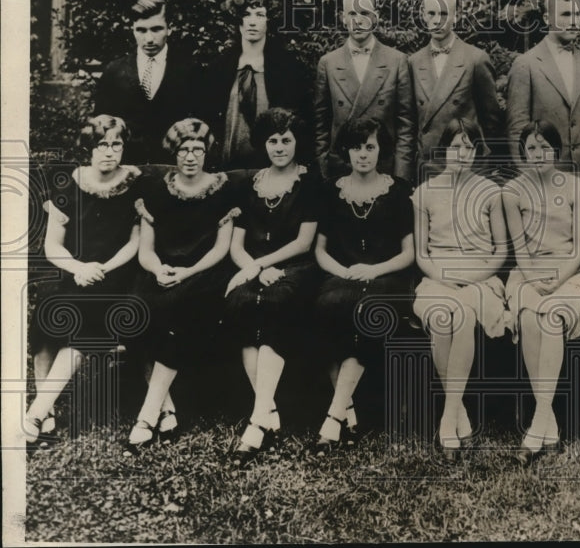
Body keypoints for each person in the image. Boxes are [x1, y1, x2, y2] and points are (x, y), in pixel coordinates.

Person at [24, 116, 142, 451]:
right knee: (48, 313)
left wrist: (102, 268)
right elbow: (53, 247)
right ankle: (45, 414)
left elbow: (135, 242)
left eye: (116, 144)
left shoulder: (134, 184)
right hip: (74, 270)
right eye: (101, 145)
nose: (109, 152)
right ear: (89, 149)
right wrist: (78, 267)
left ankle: (34, 415)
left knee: (86, 322)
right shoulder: (70, 185)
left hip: (115, 274)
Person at [126, 118, 238, 454]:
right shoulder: (158, 190)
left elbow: (221, 249)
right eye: (184, 150)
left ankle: (147, 415)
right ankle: (167, 407)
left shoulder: (222, 190)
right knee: (134, 310)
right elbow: (146, 249)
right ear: (174, 154)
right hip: (161, 270)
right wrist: (158, 268)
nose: (190, 156)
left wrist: (187, 273)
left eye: (197, 150)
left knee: (179, 312)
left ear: (207, 153)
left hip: (204, 274)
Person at [223, 108, 321, 465]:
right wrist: (251, 268)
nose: (279, 147)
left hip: (296, 266)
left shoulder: (309, 181)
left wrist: (262, 265)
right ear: (263, 144)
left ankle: (257, 420)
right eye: (273, 140)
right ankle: (267, 412)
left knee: (276, 304)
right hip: (254, 266)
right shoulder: (252, 183)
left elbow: (304, 242)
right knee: (241, 303)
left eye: (286, 140)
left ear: (297, 142)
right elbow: (237, 243)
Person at [311, 118, 415, 450]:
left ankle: (333, 418)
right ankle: (348, 414)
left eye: (370, 147)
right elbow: (320, 250)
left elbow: (409, 254)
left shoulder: (398, 190)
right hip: (341, 275)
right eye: (356, 147)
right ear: (347, 151)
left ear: (380, 150)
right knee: (327, 307)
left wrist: (374, 271)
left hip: (386, 278)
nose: (363, 154)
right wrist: (342, 272)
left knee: (368, 310)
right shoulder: (331, 189)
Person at [413, 118, 510, 456]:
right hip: (439, 277)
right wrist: (442, 277)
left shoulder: (489, 192)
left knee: (464, 314)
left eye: (469, 147)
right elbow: (421, 253)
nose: (463, 153)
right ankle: (459, 411)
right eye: (456, 146)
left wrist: (473, 277)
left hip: (481, 279)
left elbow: (501, 250)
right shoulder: (425, 193)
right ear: (443, 150)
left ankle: (447, 416)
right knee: (444, 315)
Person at [502, 121, 580, 465]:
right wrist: (536, 279)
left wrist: (557, 280)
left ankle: (537, 425)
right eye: (532, 149)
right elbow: (520, 249)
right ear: (524, 153)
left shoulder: (576, 187)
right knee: (528, 317)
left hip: (568, 273)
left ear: (557, 149)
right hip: (527, 274)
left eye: (545, 147)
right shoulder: (513, 191)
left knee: (552, 318)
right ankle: (547, 424)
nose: (539, 155)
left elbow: (579, 248)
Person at [199, 0, 314, 169]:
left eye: (259, 15)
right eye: (246, 14)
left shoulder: (288, 68)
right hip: (226, 168)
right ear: (238, 21)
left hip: (272, 168)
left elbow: (300, 124)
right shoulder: (219, 69)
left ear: (269, 21)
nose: (252, 22)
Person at [314, 0, 417, 183]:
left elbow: (406, 124)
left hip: (384, 170)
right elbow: (321, 126)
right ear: (342, 18)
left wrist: (401, 176)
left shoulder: (397, 61)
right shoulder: (328, 63)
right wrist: (324, 167)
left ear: (375, 17)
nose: (358, 20)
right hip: (341, 170)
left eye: (364, 13)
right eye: (352, 13)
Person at [506, 0, 580, 174]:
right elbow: (517, 131)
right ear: (547, 19)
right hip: (544, 173)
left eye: (578, 16)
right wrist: (528, 177)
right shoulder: (526, 65)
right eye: (566, 15)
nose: (574, 22)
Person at [409, 0, 503, 179]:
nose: (437, 21)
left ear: (456, 15)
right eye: (431, 13)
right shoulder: (413, 62)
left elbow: (492, 122)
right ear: (423, 16)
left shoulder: (475, 59)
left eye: (444, 14)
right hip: (428, 168)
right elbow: (410, 122)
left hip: (467, 166)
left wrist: (483, 166)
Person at [93, 0, 200, 164]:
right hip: (126, 170)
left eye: (156, 29)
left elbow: (201, 127)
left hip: (175, 171)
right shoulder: (114, 71)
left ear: (169, 28)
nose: (149, 39)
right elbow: (100, 127)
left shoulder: (190, 71)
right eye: (141, 30)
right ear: (133, 29)